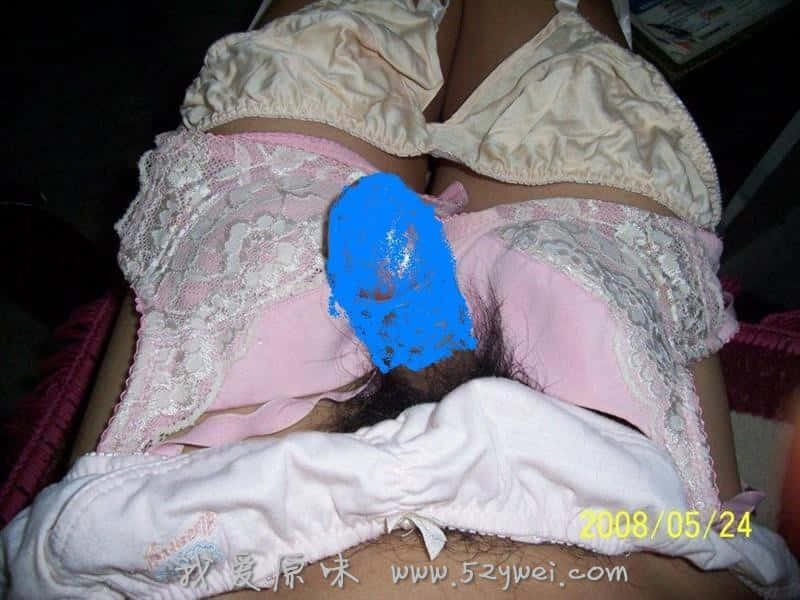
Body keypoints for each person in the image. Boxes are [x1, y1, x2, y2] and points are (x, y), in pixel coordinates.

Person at [54, 0, 784, 597]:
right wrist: (716, 531)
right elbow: (727, 548)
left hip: (220, 484)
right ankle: (431, 359)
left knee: (329, 43)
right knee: (570, 74)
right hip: (616, 485)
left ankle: (424, 357)